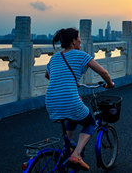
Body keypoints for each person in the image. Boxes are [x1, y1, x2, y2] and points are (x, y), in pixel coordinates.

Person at [45, 28, 115, 170]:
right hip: (69, 100)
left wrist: (67, 83)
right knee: (90, 122)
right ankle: (76, 155)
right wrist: (110, 84)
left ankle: (67, 148)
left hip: (51, 100)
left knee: (73, 116)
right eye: (78, 38)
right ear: (73, 41)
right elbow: (103, 72)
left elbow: (48, 76)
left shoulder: (54, 58)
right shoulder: (81, 55)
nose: (80, 41)